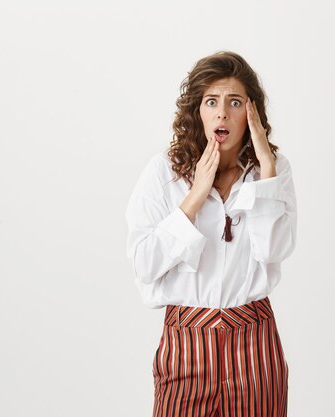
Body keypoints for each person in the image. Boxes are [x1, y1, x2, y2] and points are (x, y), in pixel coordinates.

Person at [125, 51, 297, 417]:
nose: (222, 113)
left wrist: (267, 172)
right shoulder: (163, 173)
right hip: (186, 343)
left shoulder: (274, 169)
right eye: (212, 101)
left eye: (235, 102)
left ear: (251, 113)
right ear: (197, 111)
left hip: (254, 341)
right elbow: (144, 264)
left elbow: (274, 250)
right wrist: (195, 197)